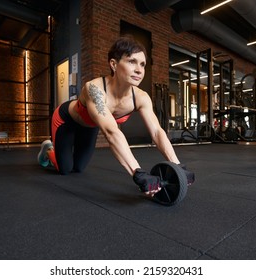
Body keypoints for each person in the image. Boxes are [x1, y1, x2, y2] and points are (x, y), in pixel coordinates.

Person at [38, 36, 194, 197]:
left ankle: (57, 152)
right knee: (64, 169)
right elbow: (112, 132)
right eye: (132, 61)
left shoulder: (141, 97)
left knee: (78, 168)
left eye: (142, 64)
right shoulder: (95, 89)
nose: (139, 70)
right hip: (67, 121)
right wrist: (138, 172)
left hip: (90, 126)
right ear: (113, 64)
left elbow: (156, 132)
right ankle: (48, 149)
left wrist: (177, 166)